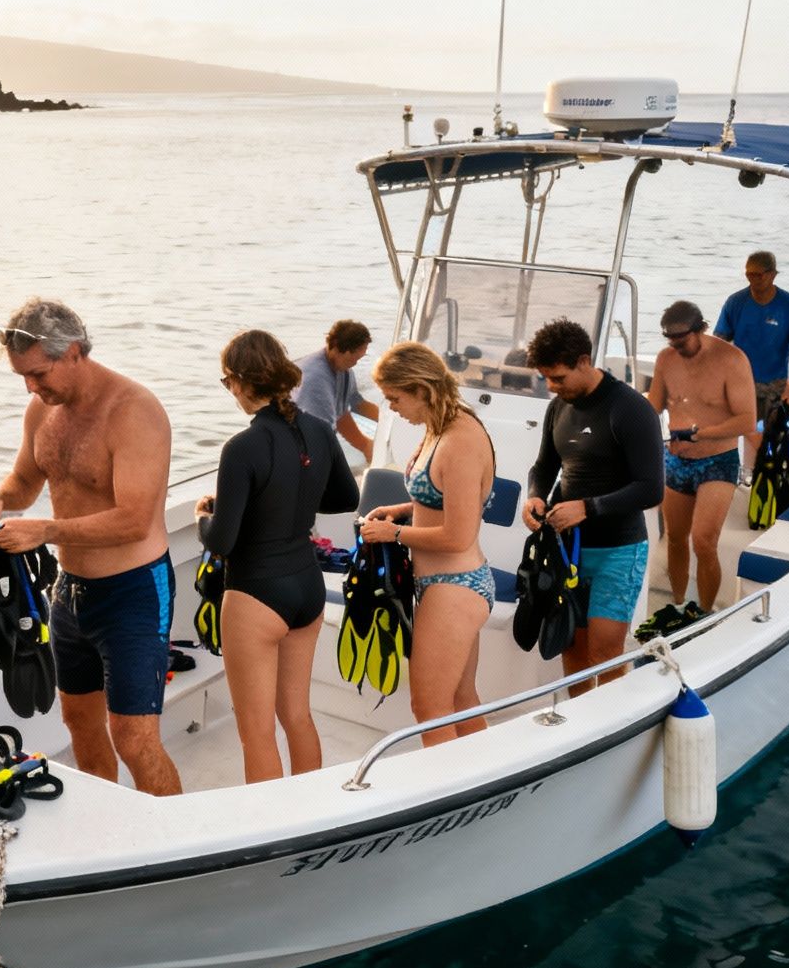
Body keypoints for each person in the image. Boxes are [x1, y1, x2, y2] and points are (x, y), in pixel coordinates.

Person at [0, 299, 183, 796]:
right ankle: (103, 829)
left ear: (75, 353)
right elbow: (24, 480)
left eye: (39, 374)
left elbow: (135, 520)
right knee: (79, 722)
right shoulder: (44, 407)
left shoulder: (133, 411)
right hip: (70, 592)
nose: (31, 387)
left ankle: (173, 836)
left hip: (134, 592)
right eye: (24, 376)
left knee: (133, 738)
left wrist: (45, 531)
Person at [196, 331, 359, 783]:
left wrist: (201, 518)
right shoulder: (319, 430)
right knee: (297, 716)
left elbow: (222, 541)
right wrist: (295, 503)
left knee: (257, 732)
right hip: (306, 588)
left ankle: (267, 830)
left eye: (227, 382)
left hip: (257, 593)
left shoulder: (242, 447)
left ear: (240, 381)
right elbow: (346, 497)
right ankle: (312, 810)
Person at [358, 342, 496, 746]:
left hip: (457, 585)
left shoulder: (461, 440)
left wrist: (393, 534)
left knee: (429, 710)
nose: (392, 407)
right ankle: (484, 779)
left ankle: (453, 800)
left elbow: (458, 535)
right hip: (443, 585)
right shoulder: (439, 427)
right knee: (460, 699)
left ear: (421, 389)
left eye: (395, 398)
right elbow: (442, 496)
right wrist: (401, 510)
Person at [520, 318, 664, 696]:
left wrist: (588, 508)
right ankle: (581, 724)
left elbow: (651, 489)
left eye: (559, 377)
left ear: (584, 361)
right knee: (572, 646)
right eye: (546, 378)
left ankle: (615, 725)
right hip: (567, 550)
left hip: (619, 550)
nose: (552, 386)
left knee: (604, 652)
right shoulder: (558, 408)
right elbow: (544, 466)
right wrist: (535, 494)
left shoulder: (630, 409)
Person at [645, 301, 757, 623]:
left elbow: (748, 421)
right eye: (670, 340)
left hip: (717, 461)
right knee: (676, 539)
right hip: (676, 460)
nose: (675, 346)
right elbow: (653, 405)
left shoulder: (731, 360)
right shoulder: (666, 359)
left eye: (681, 340)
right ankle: (680, 606)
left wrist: (700, 434)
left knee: (704, 541)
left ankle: (706, 615)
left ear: (701, 329)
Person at [714, 250, 789, 468]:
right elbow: (719, 343)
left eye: (758, 275)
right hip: (741, 385)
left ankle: (772, 471)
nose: (753, 280)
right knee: (749, 434)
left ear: (773, 274)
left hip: (775, 387)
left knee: (774, 441)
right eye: (749, 275)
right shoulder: (735, 302)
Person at [293, 320, 382, 457]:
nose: (354, 364)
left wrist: (389, 421)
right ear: (336, 348)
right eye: (352, 359)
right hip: (297, 445)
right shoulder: (315, 380)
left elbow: (358, 404)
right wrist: (364, 445)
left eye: (358, 359)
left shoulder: (343, 370)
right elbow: (329, 429)